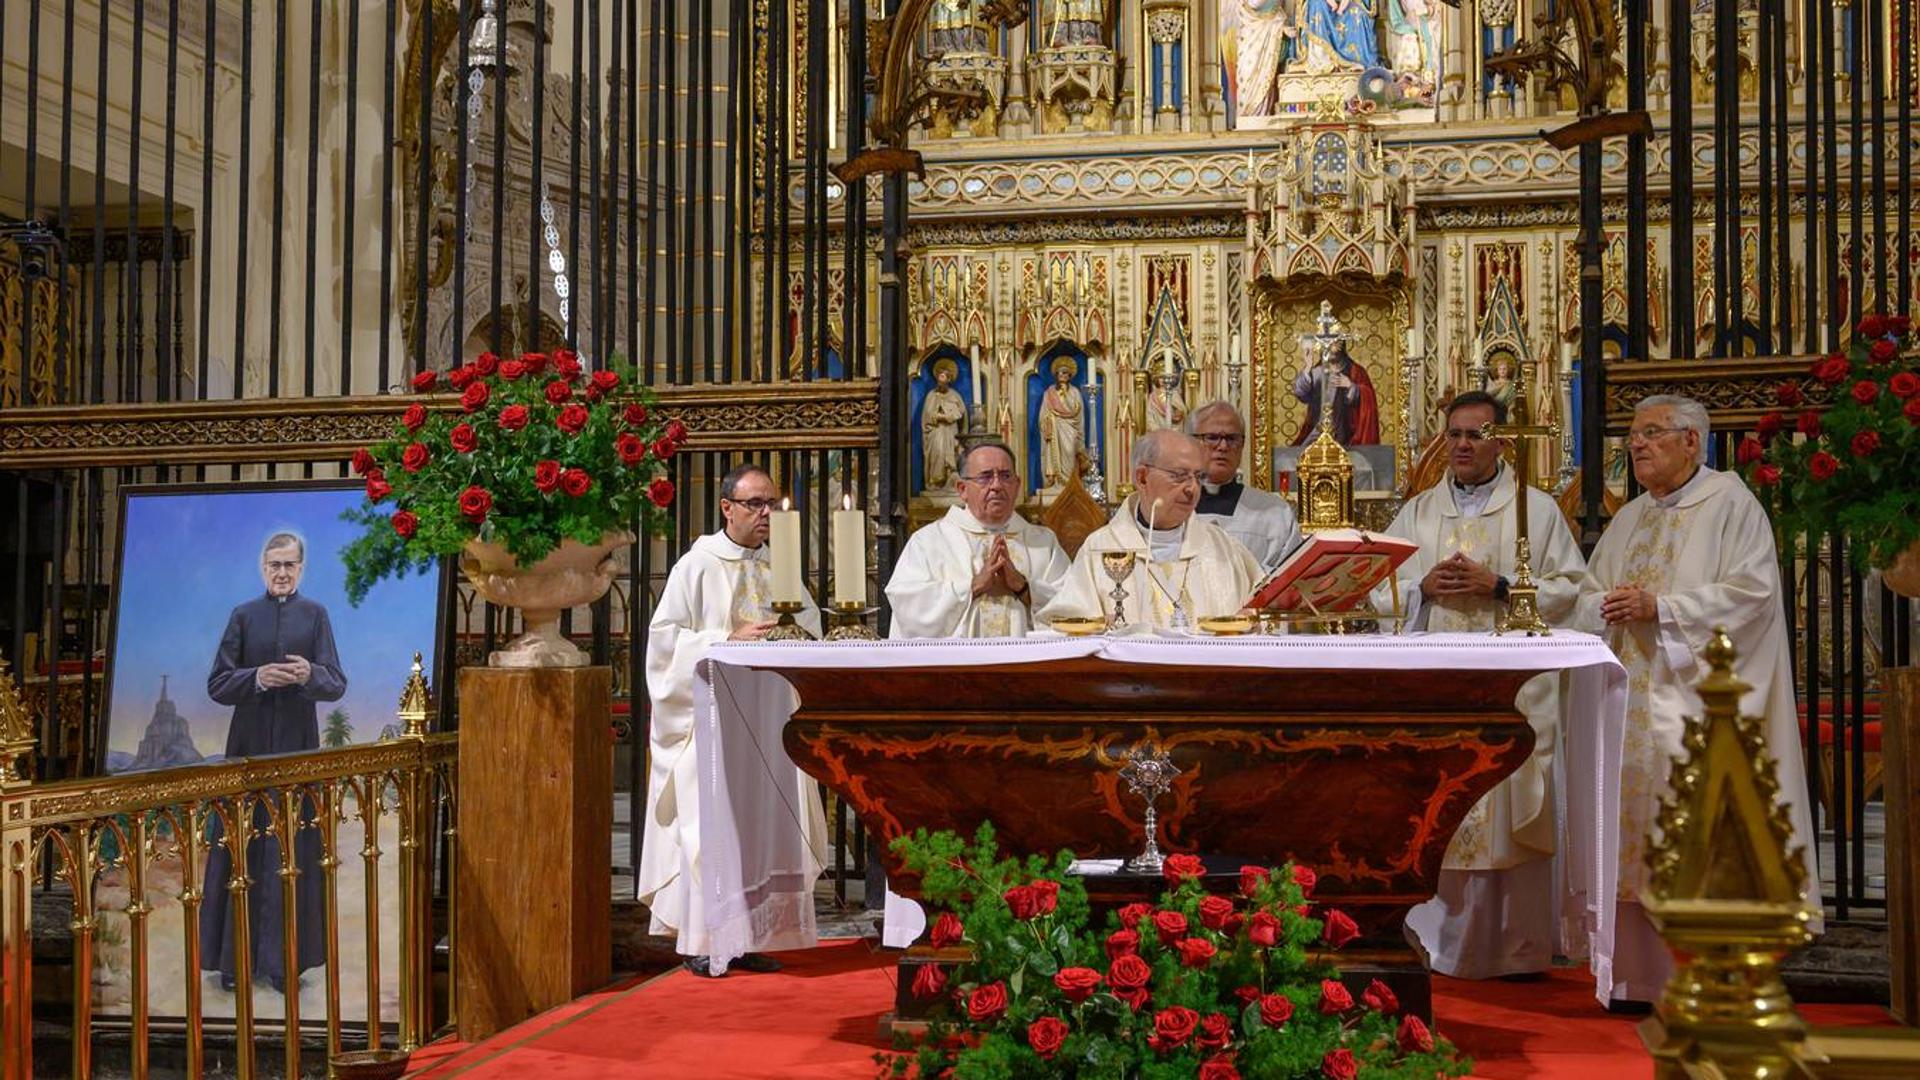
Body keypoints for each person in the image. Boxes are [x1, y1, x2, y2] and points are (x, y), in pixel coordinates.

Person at [1572, 394, 1819, 1007]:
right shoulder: (1628, 518)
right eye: (1632, 436)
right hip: (1629, 703)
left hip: (1694, 704)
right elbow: (1587, 592)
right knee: (1634, 835)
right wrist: (1607, 606)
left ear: (1692, 442)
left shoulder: (1731, 504)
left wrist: (1665, 609)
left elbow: (1754, 594)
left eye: (1652, 433)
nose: (1637, 445)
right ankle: (1632, 979)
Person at [1380, 391, 1588, 980]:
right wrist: (1424, 588)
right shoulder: (1418, 512)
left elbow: (1574, 590)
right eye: (1455, 435)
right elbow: (1378, 590)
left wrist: (1499, 586)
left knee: (1509, 805)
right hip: (1440, 690)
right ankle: (1439, 946)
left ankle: (1517, 950)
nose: (1464, 445)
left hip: (1511, 689)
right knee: (1443, 807)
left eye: (1477, 434)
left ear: (1501, 441)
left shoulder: (1536, 510)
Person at [641, 464, 829, 977]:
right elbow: (663, 644)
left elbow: (808, 628)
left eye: (770, 503)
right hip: (713, 723)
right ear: (727, 507)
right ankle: (704, 941)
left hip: (768, 723)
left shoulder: (780, 567)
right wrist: (722, 641)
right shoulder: (697, 565)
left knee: (757, 826)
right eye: (754, 504)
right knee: (710, 826)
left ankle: (750, 935)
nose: (766, 513)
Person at [201, 531, 347, 995]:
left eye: (289, 565)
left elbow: (336, 682)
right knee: (240, 850)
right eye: (274, 565)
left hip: (297, 754)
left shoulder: (316, 615)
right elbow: (218, 684)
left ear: (301, 569)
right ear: (263, 568)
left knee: (291, 853)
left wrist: (310, 675)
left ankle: (288, 962)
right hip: (247, 754)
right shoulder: (243, 616)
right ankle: (233, 961)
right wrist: (257, 677)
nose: (281, 573)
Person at [1038, 430, 1263, 631]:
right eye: (1179, 475)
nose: (1192, 488)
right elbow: (1063, 625)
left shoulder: (1222, 547)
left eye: (1198, 477)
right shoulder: (1102, 549)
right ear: (1142, 478)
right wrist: (1097, 629)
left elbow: (1265, 606)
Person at [887, 440, 1072, 639]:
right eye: (985, 477)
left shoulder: (1043, 542)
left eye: (1005, 476)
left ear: (1017, 485)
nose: (996, 485)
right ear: (962, 489)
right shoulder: (928, 542)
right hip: (957, 668)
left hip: (1027, 667)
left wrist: (1023, 587)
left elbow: (1074, 607)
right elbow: (909, 608)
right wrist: (973, 586)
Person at [1186, 400, 1301, 571]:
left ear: (1242, 445)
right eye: (1212, 437)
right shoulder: (1167, 510)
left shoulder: (1275, 513)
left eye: (1232, 438)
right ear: (1190, 442)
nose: (1223, 446)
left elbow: (1289, 579)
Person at [1292, 338, 1381, 446]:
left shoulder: (1356, 371)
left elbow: (1368, 397)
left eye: (1334, 349)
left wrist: (1351, 386)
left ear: (1342, 350)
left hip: (1347, 433)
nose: (1330, 352)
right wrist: (1308, 367)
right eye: (1326, 349)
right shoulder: (1317, 372)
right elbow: (1301, 394)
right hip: (1318, 431)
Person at [1038, 357, 1086, 491]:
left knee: (1070, 451)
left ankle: (1071, 483)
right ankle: (1054, 484)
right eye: (1059, 373)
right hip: (1054, 429)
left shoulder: (1075, 392)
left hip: (1070, 429)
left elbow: (1077, 412)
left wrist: (1066, 395)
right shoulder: (1049, 393)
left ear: (1070, 375)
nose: (1062, 375)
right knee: (1054, 456)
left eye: (1065, 373)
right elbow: (1043, 413)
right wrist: (1047, 422)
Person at [921, 361, 968, 492]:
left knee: (950, 456)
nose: (941, 381)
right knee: (938, 453)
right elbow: (926, 416)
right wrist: (938, 417)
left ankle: (950, 480)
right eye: (939, 377)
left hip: (951, 432)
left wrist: (962, 437)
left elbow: (963, 414)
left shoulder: (955, 396)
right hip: (936, 432)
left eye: (944, 377)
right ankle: (936, 483)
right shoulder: (931, 395)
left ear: (949, 380)